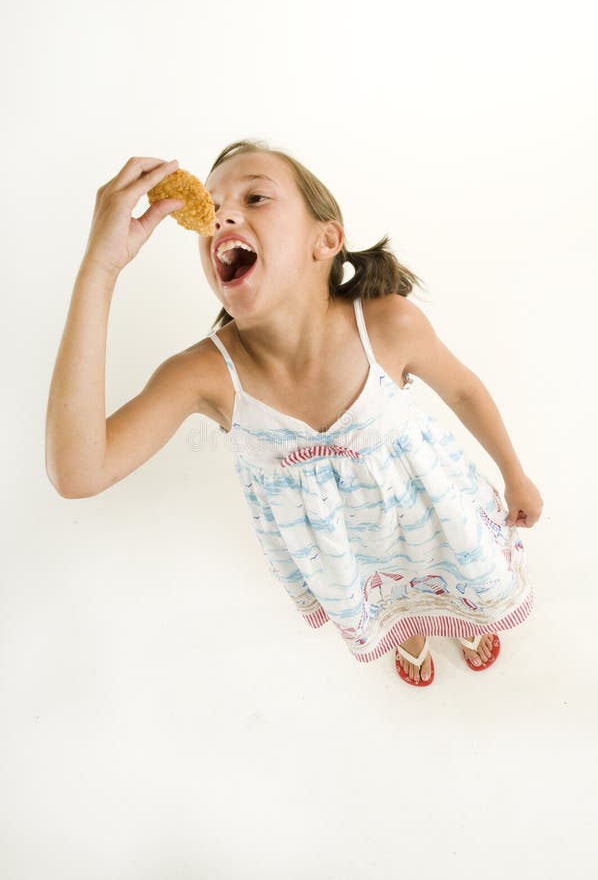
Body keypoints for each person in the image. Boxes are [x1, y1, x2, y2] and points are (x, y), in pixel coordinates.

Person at [45, 140, 543, 689]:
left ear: (325, 240)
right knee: (396, 599)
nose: (221, 216)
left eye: (256, 197)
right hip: (355, 549)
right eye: (210, 209)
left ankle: (465, 621)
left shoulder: (387, 325)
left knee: (449, 571)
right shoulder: (206, 375)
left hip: (432, 514)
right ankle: (412, 631)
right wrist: (101, 267)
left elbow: (465, 391)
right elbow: (78, 472)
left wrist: (514, 476)